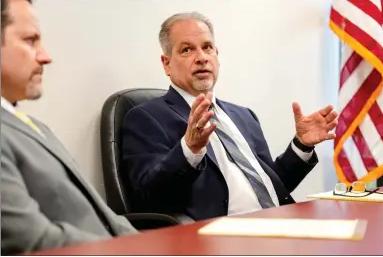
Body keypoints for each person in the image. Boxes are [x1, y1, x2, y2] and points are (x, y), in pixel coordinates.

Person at [121, 12, 338, 221]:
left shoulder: (243, 116)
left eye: (207, 48)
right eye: (187, 50)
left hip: (280, 223)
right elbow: (150, 195)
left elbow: (272, 187)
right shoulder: (145, 117)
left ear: (217, 55)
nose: (201, 58)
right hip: (217, 237)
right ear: (166, 63)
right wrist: (189, 150)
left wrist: (301, 146)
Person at [0, 0, 138, 255]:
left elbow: (106, 218)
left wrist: (151, 246)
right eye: (31, 41)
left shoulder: (35, 127)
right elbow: (28, 239)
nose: (46, 56)